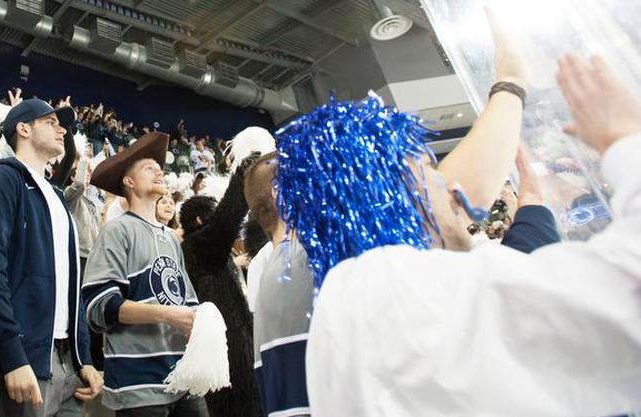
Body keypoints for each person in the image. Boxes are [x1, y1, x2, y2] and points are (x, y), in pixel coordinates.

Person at [305, 55, 641, 417]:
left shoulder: (342, 306)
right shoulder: (395, 287)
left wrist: (511, 84)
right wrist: (623, 139)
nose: (453, 190)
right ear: (397, 193)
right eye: (431, 171)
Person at [0, 98, 103, 416]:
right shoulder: (1, 179)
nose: (62, 129)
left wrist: (84, 357)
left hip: (67, 363)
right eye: (51, 121)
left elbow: (72, 284)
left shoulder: (55, 196)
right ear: (23, 128)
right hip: (21, 360)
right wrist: (12, 354)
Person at [81, 132, 206, 416]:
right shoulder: (117, 231)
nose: (159, 170)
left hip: (183, 379)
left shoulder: (172, 239)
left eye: (159, 167)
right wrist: (167, 314)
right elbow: (100, 307)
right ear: (129, 182)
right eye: (149, 167)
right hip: (137, 386)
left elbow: (187, 301)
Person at [178, 166, 262, 417]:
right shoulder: (199, 246)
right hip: (226, 358)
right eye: (214, 215)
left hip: (235, 352)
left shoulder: (212, 252)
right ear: (200, 221)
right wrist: (242, 177)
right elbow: (226, 221)